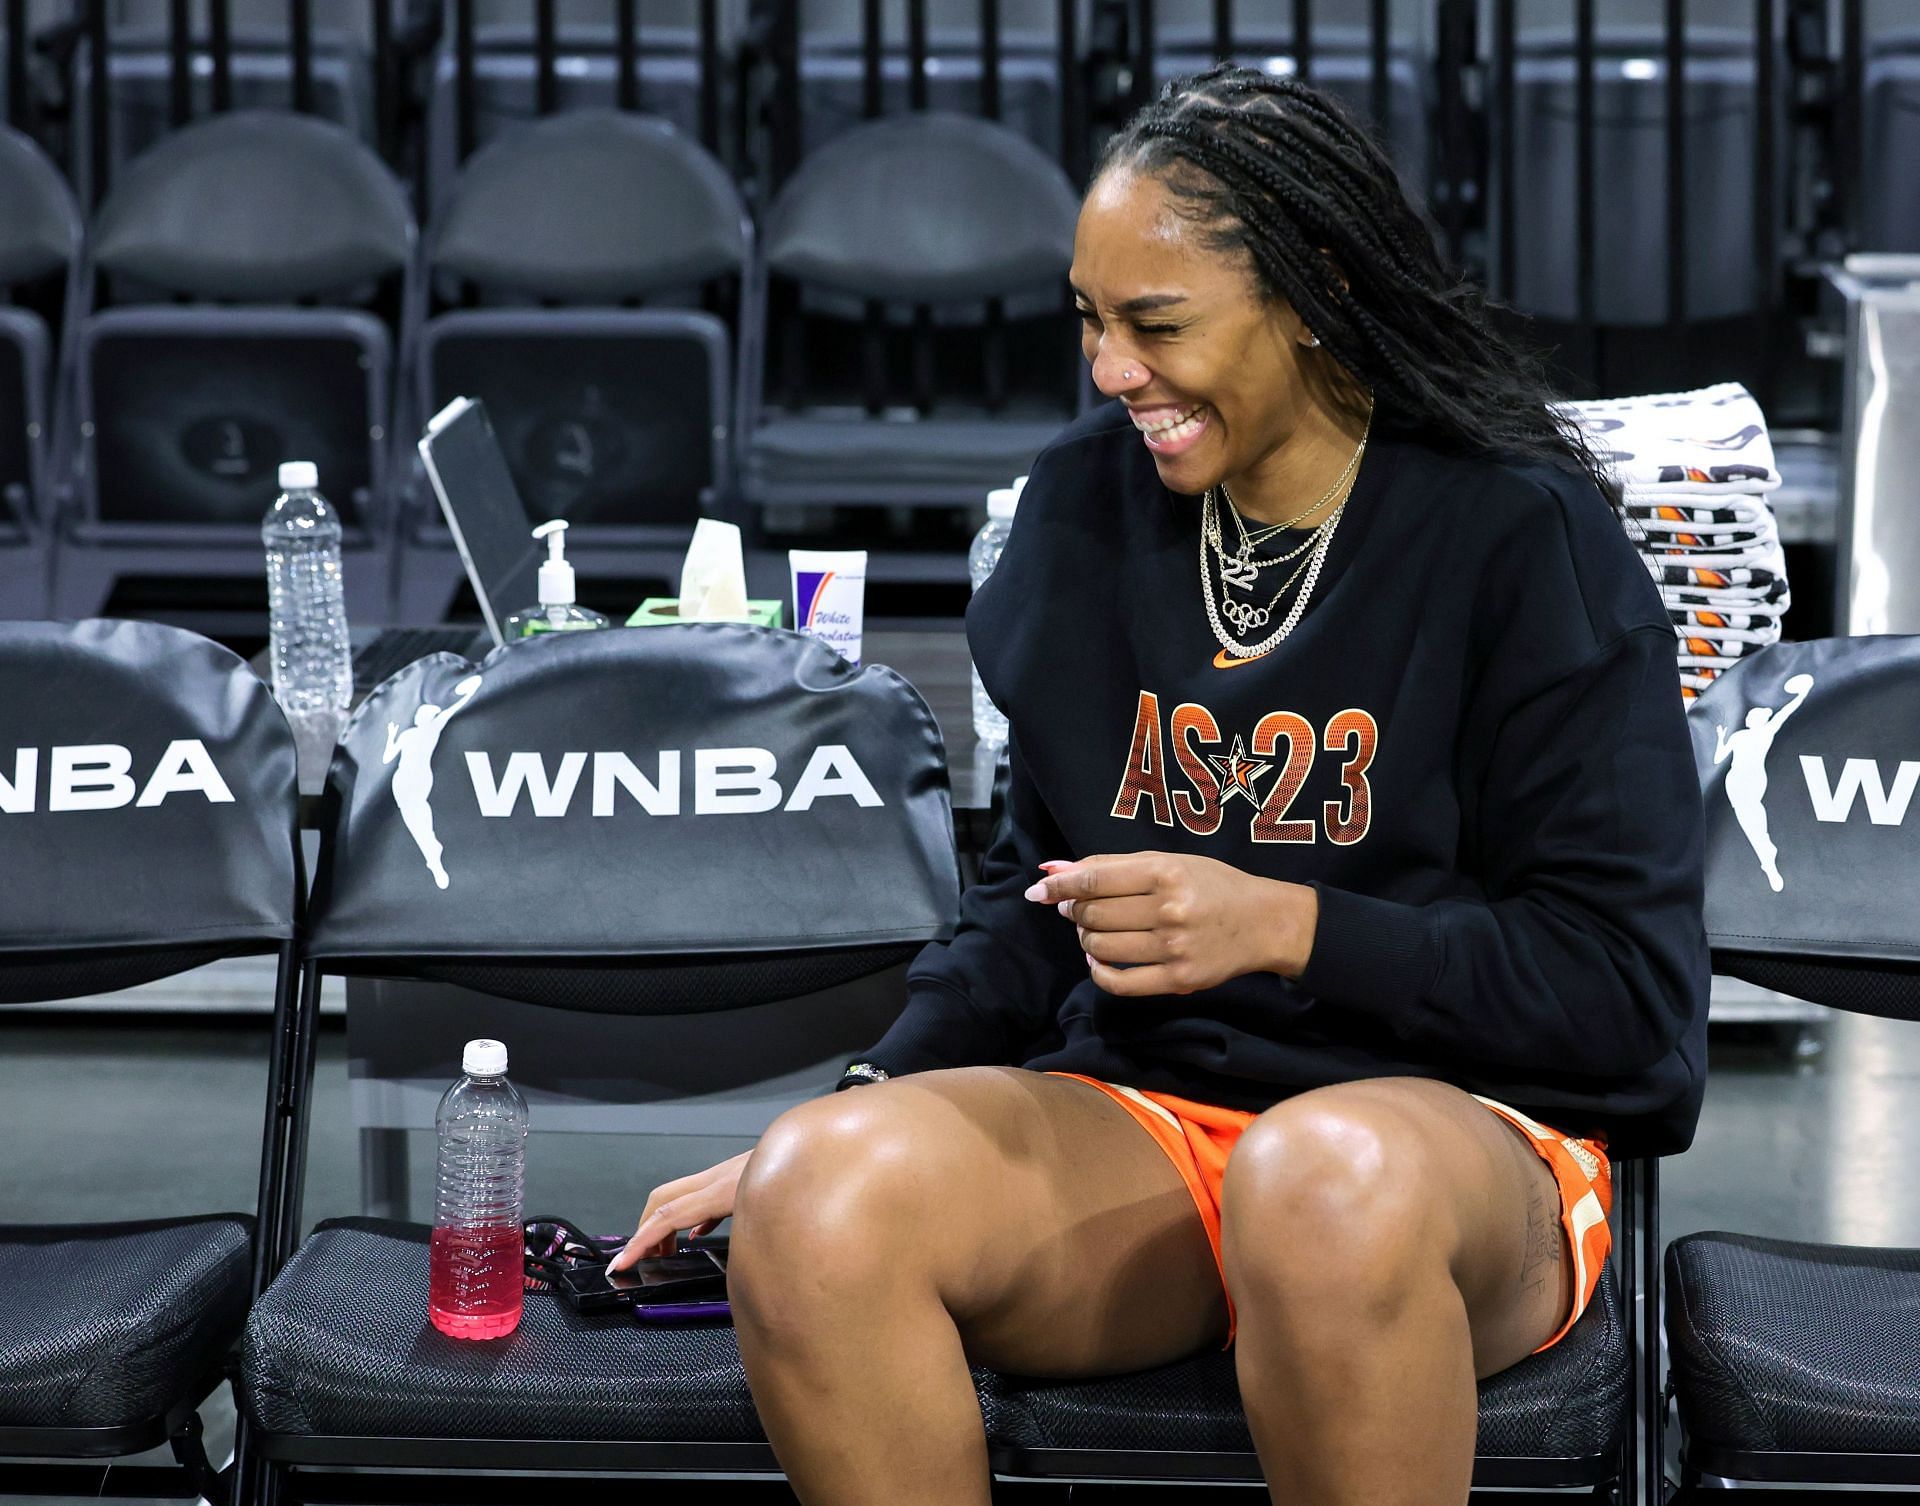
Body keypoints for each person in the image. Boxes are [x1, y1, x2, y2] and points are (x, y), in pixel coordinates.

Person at [611, 66, 1709, 1506]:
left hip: (1454, 1141)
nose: (1110, 368)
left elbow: (1632, 1006)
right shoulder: (1082, 505)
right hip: (1156, 1120)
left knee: (1319, 1182)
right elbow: (1033, 897)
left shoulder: (1518, 535)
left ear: (1311, 288)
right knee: (821, 1190)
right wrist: (873, 1088)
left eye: (1156, 323)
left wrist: (1297, 928)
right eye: (1089, 318)